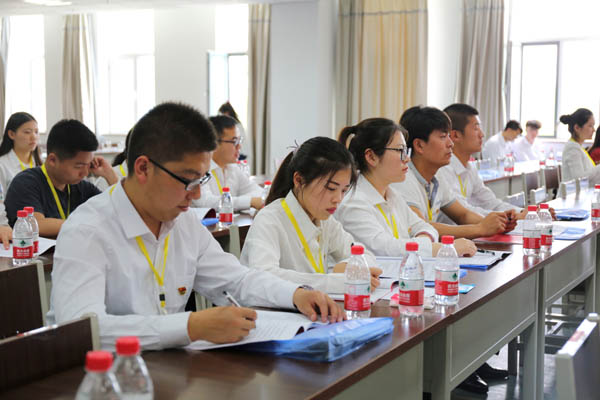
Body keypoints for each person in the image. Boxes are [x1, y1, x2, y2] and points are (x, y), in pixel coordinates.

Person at [49, 102, 343, 351]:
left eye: (201, 179)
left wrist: (296, 294)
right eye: (187, 180)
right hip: (103, 379)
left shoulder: (184, 222)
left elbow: (236, 280)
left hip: (168, 368)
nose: (198, 194)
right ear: (143, 168)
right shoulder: (88, 230)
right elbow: (81, 330)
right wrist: (190, 326)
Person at [240, 136, 382, 294]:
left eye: (344, 190)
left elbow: (364, 254)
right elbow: (264, 277)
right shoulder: (270, 220)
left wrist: (348, 266)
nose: (338, 199)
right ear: (299, 180)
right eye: (331, 188)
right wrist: (339, 282)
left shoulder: (325, 220)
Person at [335, 117, 476, 257]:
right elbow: (385, 249)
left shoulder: (392, 195)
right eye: (400, 151)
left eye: (405, 151)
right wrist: (444, 248)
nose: (407, 159)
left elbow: (426, 227)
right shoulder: (353, 203)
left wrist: (420, 243)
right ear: (371, 157)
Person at [390, 106, 508, 240]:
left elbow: (462, 215)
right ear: (419, 145)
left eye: (448, 136)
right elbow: (421, 226)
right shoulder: (403, 178)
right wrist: (480, 229)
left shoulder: (437, 176)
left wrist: (497, 224)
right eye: (443, 137)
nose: (451, 143)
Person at [4, 119, 118, 237]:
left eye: (89, 165)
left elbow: (116, 213)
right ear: (52, 160)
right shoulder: (26, 182)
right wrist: (86, 224)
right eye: (79, 166)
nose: (85, 173)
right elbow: (36, 225)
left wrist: (110, 175)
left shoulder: (81, 186)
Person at [438, 104, 524, 223]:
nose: (482, 134)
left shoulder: (470, 167)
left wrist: (521, 212)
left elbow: (491, 203)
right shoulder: (443, 169)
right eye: (476, 128)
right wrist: (507, 216)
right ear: (455, 135)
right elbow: (464, 212)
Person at [192, 115, 263, 211]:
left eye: (239, 141)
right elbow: (205, 202)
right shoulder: (199, 168)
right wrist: (249, 201)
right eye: (234, 141)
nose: (239, 146)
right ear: (214, 143)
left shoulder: (233, 168)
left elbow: (258, 192)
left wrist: (244, 201)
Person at [0, 112, 43, 192]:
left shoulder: (41, 163)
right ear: (11, 134)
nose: (34, 137)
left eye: (36, 132)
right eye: (27, 132)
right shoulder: (2, 165)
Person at [560, 108, 599, 183]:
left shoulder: (577, 147)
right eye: (590, 126)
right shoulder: (572, 148)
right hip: (573, 191)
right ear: (577, 128)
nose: (594, 130)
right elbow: (579, 179)